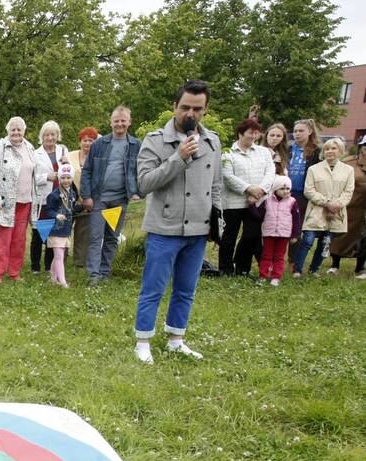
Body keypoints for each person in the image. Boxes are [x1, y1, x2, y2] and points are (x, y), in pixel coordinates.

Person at [133, 80, 221, 364]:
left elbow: (216, 184)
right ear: (174, 107)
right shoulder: (155, 140)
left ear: (205, 110)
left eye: (197, 109)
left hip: (198, 228)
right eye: (185, 107)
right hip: (164, 227)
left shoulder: (213, 142)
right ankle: (143, 340)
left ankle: (176, 339)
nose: (190, 114)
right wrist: (178, 158)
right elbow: (145, 183)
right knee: (153, 288)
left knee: (186, 289)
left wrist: (216, 220)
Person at [80, 106, 142, 284]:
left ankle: (105, 273)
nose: (120, 124)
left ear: (129, 122)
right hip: (99, 198)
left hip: (121, 199)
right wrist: (87, 196)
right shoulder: (99, 144)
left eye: (123, 121)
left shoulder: (136, 145)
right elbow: (87, 171)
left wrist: (138, 193)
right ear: (111, 122)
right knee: (95, 237)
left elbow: (144, 171)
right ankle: (93, 274)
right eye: (116, 121)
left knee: (112, 238)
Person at [0, 117, 44, 282]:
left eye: (19, 129)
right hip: (5, 202)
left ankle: (14, 272)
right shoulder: (0, 146)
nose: (16, 132)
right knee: (3, 239)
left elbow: (35, 174)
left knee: (19, 240)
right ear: (7, 131)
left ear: (24, 131)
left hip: (25, 201)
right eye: (13, 129)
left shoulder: (30, 147)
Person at [219, 117, 275, 276]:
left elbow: (270, 173)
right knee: (229, 235)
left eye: (256, 133)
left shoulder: (263, 152)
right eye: (250, 132)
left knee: (252, 235)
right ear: (241, 133)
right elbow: (228, 177)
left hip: (256, 202)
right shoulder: (228, 154)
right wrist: (249, 189)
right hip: (233, 202)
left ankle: (242, 267)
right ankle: (225, 268)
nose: (254, 136)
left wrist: (260, 191)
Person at [295, 138, 355, 276]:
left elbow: (348, 191)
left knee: (325, 243)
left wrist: (337, 204)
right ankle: (297, 269)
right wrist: (327, 202)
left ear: (340, 151)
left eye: (333, 148)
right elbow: (308, 190)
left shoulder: (348, 170)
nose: (329, 151)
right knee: (308, 240)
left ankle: (314, 270)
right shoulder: (314, 169)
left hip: (336, 212)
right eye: (327, 149)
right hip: (316, 210)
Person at [31, 120, 70, 273]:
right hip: (43, 197)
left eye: (53, 134)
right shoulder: (35, 154)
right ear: (42, 136)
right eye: (47, 135)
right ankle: (35, 267)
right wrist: (47, 176)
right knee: (38, 232)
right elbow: (33, 177)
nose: (50, 138)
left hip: (60, 197)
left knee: (53, 234)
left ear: (57, 135)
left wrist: (67, 167)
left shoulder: (63, 150)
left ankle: (49, 266)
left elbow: (69, 172)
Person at [286, 120, 322, 277]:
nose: (297, 133)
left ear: (309, 132)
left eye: (301, 130)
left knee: (297, 229)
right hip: (284, 193)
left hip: (302, 195)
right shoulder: (287, 148)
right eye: (295, 130)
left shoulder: (316, 152)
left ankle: (293, 261)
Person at [327, 134, 366, 275]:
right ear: (361, 147)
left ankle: (360, 267)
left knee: (364, 238)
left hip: (364, 209)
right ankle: (335, 265)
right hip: (349, 207)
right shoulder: (348, 163)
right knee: (341, 235)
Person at [253, 175, 302, 285]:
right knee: (266, 255)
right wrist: (251, 206)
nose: (285, 191)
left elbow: (296, 219)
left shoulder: (292, 202)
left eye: (288, 189)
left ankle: (276, 276)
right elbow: (259, 215)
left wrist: (295, 235)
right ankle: (263, 276)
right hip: (269, 233)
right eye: (282, 189)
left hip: (284, 234)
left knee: (279, 256)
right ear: (275, 189)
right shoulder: (267, 201)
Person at [42, 163, 83, 288]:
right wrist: (56, 215)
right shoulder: (54, 195)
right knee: (59, 256)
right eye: (63, 177)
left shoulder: (73, 194)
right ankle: (63, 281)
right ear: (59, 179)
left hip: (66, 229)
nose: (66, 180)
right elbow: (48, 210)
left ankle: (54, 278)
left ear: (72, 179)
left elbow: (71, 210)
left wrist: (83, 208)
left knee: (59, 255)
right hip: (55, 230)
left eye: (68, 177)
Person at [67, 126, 99, 262]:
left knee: (82, 231)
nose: (87, 143)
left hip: (88, 199)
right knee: (64, 229)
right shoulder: (69, 156)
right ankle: (60, 257)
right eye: (85, 140)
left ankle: (79, 261)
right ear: (80, 142)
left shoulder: (97, 158)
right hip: (69, 198)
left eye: (91, 140)